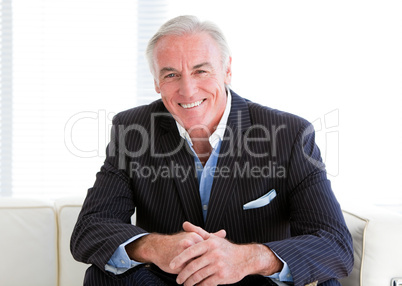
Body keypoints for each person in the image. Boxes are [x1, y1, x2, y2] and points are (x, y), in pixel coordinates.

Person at [70, 15, 354, 286]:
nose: (188, 90)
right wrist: (155, 246)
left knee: (323, 280)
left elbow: (334, 244)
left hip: (255, 282)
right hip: (170, 281)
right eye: (171, 74)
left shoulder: (289, 134)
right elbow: (90, 229)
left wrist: (247, 258)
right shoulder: (132, 129)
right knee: (101, 276)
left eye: (201, 71)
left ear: (227, 70)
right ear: (156, 82)